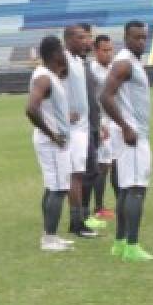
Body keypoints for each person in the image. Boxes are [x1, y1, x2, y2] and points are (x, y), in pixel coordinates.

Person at [100, 20, 153, 262]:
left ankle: (120, 243)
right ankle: (132, 246)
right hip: (131, 135)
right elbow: (105, 96)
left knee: (126, 189)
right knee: (135, 190)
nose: (141, 42)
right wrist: (125, 127)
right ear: (126, 38)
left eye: (144, 37)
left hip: (131, 133)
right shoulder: (124, 63)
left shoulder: (131, 62)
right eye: (136, 37)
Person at [25, 35, 74, 252]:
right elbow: (30, 109)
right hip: (51, 143)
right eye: (62, 50)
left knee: (54, 188)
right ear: (55, 54)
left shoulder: (50, 77)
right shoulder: (44, 77)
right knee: (57, 189)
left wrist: (65, 117)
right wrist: (52, 134)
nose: (65, 54)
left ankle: (50, 234)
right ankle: (49, 239)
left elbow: (46, 108)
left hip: (54, 141)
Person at [62, 24, 102, 238]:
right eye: (81, 37)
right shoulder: (64, 60)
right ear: (68, 40)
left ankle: (81, 219)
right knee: (77, 176)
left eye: (87, 37)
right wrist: (62, 113)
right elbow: (48, 85)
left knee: (87, 173)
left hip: (86, 127)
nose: (86, 41)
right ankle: (77, 223)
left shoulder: (79, 61)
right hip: (73, 130)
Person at [88, 34, 117, 219]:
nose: (108, 54)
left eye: (110, 50)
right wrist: (98, 125)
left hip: (115, 121)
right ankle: (98, 208)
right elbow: (91, 100)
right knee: (103, 165)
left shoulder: (114, 69)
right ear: (96, 51)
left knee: (115, 163)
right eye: (104, 50)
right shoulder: (92, 71)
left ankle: (120, 200)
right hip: (102, 123)